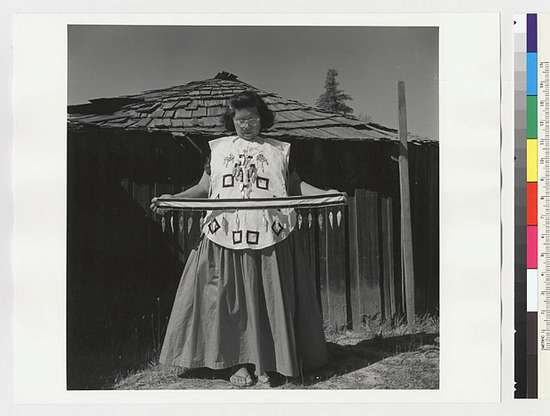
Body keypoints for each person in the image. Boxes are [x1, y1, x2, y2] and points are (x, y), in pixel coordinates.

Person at [151, 90, 341, 387]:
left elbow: (294, 185)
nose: (246, 125)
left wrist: (325, 193)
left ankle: (267, 363)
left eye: (252, 119)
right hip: (223, 235)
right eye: (240, 120)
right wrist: (173, 198)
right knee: (227, 303)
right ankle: (236, 364)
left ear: (261, 118)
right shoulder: (218, 149)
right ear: (232, 121)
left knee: (268, 301)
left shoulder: (279, 150)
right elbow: (204, 188)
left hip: (270, 235)